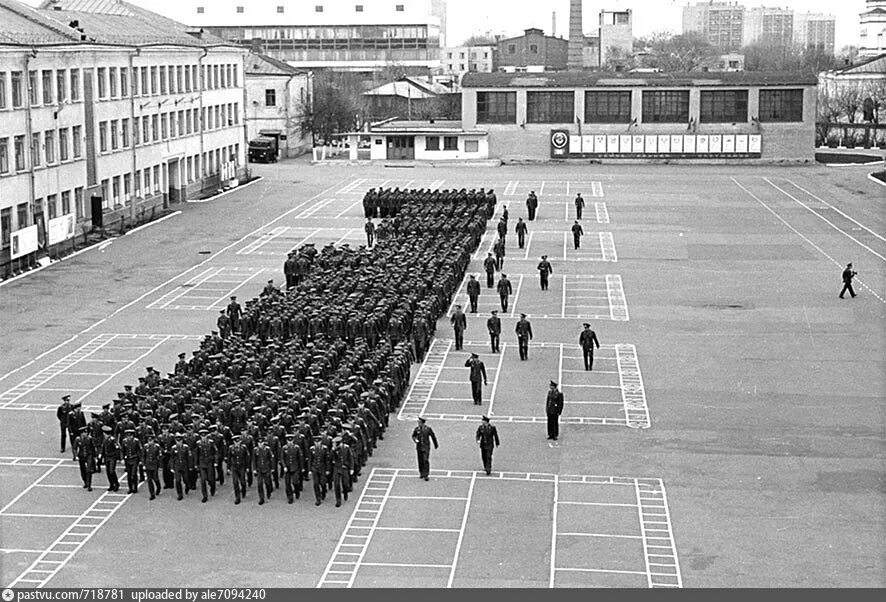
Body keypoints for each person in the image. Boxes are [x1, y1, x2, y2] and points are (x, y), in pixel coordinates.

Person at [330, 436, 353, 507]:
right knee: (336, 484)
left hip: (344, 468)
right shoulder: (334, 450)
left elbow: (350, 458)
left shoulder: (346, 448)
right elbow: (331, 459)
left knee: (345, 484)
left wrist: (351, 468)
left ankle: (345, 492)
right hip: (337, 468)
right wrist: (333, 451)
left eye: (335, 443)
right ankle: (338, 500)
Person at [195, 428, 217, 503]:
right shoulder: (198, 443)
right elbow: (196, 454)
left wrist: (215, 461)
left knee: (211, 478)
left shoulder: (211, 442)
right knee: (203, 480)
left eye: (205, 436)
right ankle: (205, 495)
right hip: (202, 463)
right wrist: (196, 464)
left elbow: (215, 452)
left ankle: (212, 487)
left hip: (210, 462)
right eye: (202, 436)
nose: (203, 437)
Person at [282, 432, 304, 503]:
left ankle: (297, 491)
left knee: (295, 482)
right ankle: (290, 497)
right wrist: (284, 466)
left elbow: (300, 458)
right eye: (288, 441)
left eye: (291, 440)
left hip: (295, 467)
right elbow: (282, 458)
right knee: (287, 483)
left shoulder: (297, 448)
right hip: (287, 468)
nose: (290, 442)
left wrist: (302, 467)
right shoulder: (284, 448)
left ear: (293, 440)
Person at [228, 434, 249, 505]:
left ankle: (244, 489)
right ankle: (237, 497)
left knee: (242, 481)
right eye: (235, 442)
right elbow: (229, 458)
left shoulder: (244, 448)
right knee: (235, 482)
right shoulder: (231, 448)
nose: (237, 443)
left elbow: (247, 458)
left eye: (238, 441)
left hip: (242, 466)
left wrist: (247, 467)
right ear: (233, 442)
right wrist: (228, 468)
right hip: (234, 467)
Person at [170, 433, 192, 501]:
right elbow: (172, 458)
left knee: (186, 479)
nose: (178, 442)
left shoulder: (186, 447)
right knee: (177, 480)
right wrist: (172, 467)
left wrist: (190, 466)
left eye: (180, 440)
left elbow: (189, 457)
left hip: (184, 465)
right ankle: (180, 494)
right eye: (177, 440)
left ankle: (187, 486)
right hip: (177, 466)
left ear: (182, 440)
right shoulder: (173, 448)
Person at [309, 435, 329, 506]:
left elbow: (327, 460)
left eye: (318, 441)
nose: (317, 443)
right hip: (315, 468)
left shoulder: (324, 448)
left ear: (321, 442)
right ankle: (318, 498)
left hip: (322, 468)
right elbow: (310, 459)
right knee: (316, 484)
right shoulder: (312, 449)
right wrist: (309, 469)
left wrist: (327, 469)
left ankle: (323, 491)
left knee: (323, 482)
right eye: (315, 442)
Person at [142, 434, 163, 500]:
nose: (150, 442)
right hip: (148, 464)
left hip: (154, 464)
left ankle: (158, 487)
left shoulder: (157, 446)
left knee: (155, 478)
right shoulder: (145, 446)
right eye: (149, 440)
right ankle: (152, 494)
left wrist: (160, 465)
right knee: (149, 480)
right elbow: (143, 456)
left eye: (151, 440)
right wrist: (143, 465)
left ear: (153, 441)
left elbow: (160, 456)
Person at [254, 438, 274, 505]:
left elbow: (271, 458)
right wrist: (254, 469)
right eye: (259, 443)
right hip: (259, 469)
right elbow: (254, 460)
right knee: (259, 484)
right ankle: (261, 498)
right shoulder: (255, 450)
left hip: (266, 468)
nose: (260, 444)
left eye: (261, 443)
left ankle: (269, 492)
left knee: (267, 482)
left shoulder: (267, 449)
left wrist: (272, 468)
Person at [121, 428, 142, 494]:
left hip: (134, 459)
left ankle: (135, 487)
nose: (129, 437)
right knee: (129, 474)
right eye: (128, 436)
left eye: (130, 436)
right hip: (127, 459)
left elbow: (139, 451)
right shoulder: (124, 441)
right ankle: (130, 488)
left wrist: (140, 460)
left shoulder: (136, 441)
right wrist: (122, 459)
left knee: (134, 473)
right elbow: (122, 451)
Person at [76, 426, 96, 491]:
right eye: (84, 433)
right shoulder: (78, 439)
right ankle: (85, 482)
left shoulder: (89, 439)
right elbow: (74, 448)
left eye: (86, 432)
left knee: (88, 470)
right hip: (81, 456)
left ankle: (89, 484)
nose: (86, 434)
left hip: (89, 455)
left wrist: (94, 456)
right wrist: (75, 455)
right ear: (81, 433)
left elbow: (93, 448)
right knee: (82, 470)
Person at [101, 425, 120, 492]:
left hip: (112, 457)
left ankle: (116, 483)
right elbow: (103, 448)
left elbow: (117, 448)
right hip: (107, 457)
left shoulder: (112, 440)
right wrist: (101, 455)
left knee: (112, 471)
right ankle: (111, 484)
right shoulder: (105, 440)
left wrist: (117, 457)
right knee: (108, 472)